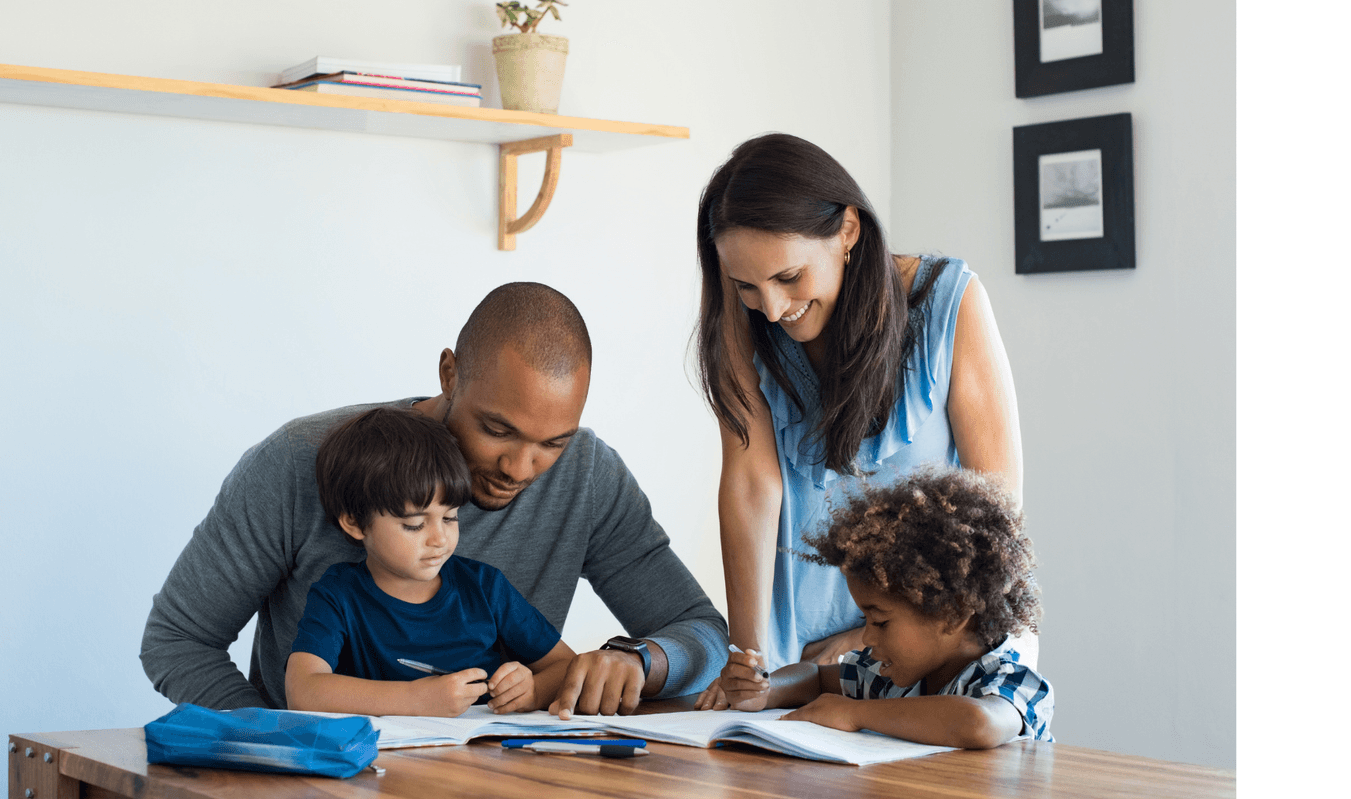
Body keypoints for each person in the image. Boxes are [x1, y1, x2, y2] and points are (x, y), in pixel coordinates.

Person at [141, 282, 727, 717]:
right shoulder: (299, 462)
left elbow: (701, 632)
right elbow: (177, 640)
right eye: (497, 430)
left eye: (553, 442)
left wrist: (640, 660)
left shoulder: (588, 475)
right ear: (450, 373)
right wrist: (280, 744)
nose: (521, 469)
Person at [691, 133, 1026, 708]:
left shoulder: (950, 302)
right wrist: (747, 657)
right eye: (747, 286)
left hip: (931, 658)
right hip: (794, 664)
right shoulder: (743, 326)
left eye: (789, 278)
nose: (772, 308)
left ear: (848, 230)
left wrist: (866, 639)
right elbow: (751, 485)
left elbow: (995, 514)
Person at [719, 468, 1053, 747]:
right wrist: (766, 690)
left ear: (952, 614)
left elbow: (977, 724)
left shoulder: (1010, 679)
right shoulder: (891, 676)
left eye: (879, 622)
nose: (866, 638)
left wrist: (854, 713)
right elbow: (816, 679)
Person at [285, 408, 575, 717]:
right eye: (414, 525)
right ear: (355, 523)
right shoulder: (338, 595)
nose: (439, 539)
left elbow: (567, 666)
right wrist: (415, 699)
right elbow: (303, 691)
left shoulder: (484, 587)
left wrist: (532, 691)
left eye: (450, 517)